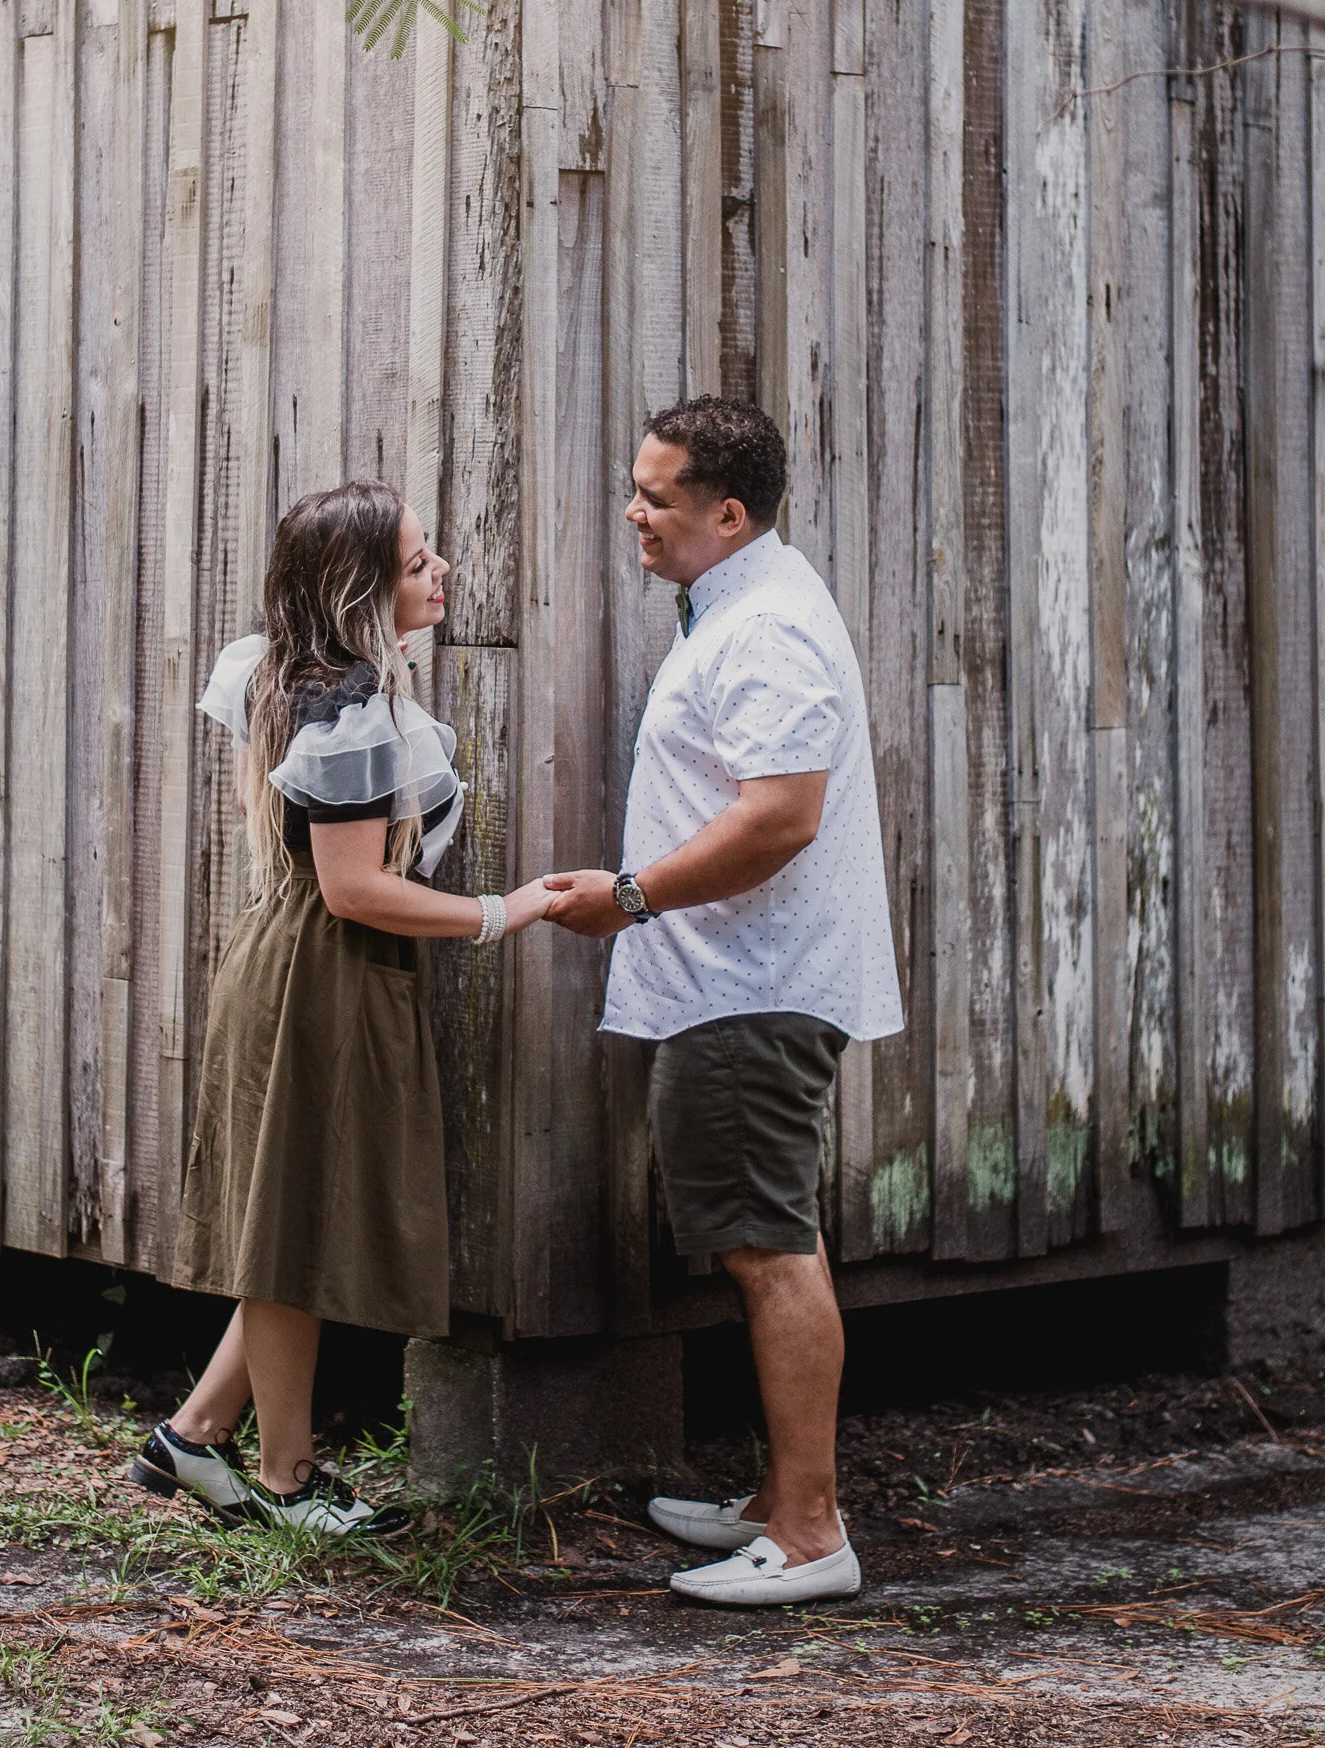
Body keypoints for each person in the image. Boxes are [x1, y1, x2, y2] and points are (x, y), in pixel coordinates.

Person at [130, 480, 554, 1535]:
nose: (442, 569)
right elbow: (355, 888)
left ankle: (191, 1436)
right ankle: (286, 1476)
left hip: (290, 959)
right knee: (292, 1228)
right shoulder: (352, 709)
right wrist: (505, 911)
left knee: (293, 1214)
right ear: (362, 589)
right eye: (417, 562)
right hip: (325, 970)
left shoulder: (279, 669)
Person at [545, 396, 901, 1607]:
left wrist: (632, 894)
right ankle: (776, 1497)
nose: (634, 514)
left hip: (748, 986)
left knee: (767, 1249)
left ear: (727, 511)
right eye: (635, 488)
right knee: (764, 1235)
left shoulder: (766, 632)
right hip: (733, 981)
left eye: (656, 496)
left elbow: (778, 816)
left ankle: (807, 1535)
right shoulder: (743, 604)